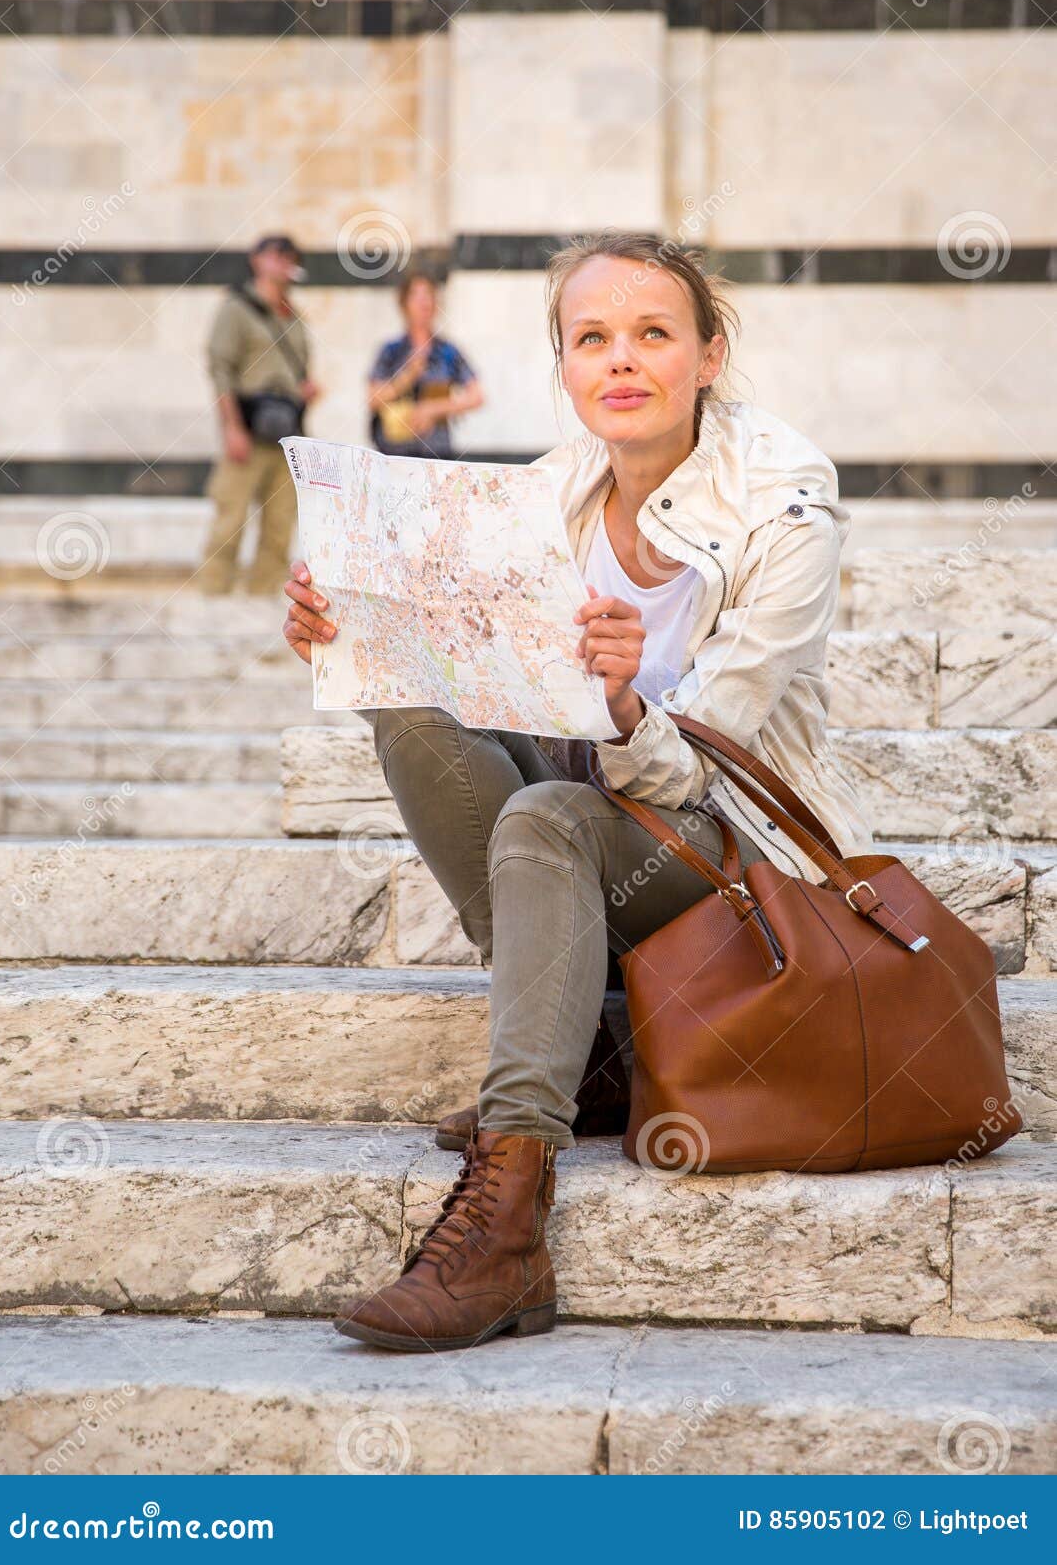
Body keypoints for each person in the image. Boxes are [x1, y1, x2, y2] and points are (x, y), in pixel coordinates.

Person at [282, 229, 875, 1354]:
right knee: (407, 698)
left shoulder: (787, 502)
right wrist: (348, 628)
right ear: (561, 364)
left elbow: (705, 758)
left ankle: (509, 1215)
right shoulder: (551, 490)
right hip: (592, 823)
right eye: (590, 337)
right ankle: (594, 1046)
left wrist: (618, 704)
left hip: (735, 857)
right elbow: (471, 665)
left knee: (545, 816)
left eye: (653, 333)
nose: (620, 360)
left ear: (707, 354)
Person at [199, 234, 322, 595]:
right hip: (248, 428)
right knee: (230, 520)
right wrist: (232, 427)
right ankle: (213, 599)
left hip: (287, 432)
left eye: (289, 258)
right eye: (275, 256)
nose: (282, 264)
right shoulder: (235, 308)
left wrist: (306, 393)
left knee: (279, 525)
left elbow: (299, 373)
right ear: (257, 260)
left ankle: (263, 600)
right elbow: (221, 371)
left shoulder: (295, 318)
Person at [367, 271, 483, 459]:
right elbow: (373, 399)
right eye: (417, 296)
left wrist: (433, 409)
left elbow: (476, 396)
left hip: (437, 456)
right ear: (404, 304)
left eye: (429, 295)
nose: (424, 302)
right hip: (394, 457)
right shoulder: (391, 351)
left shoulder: (448, 352)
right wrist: (407, 377)